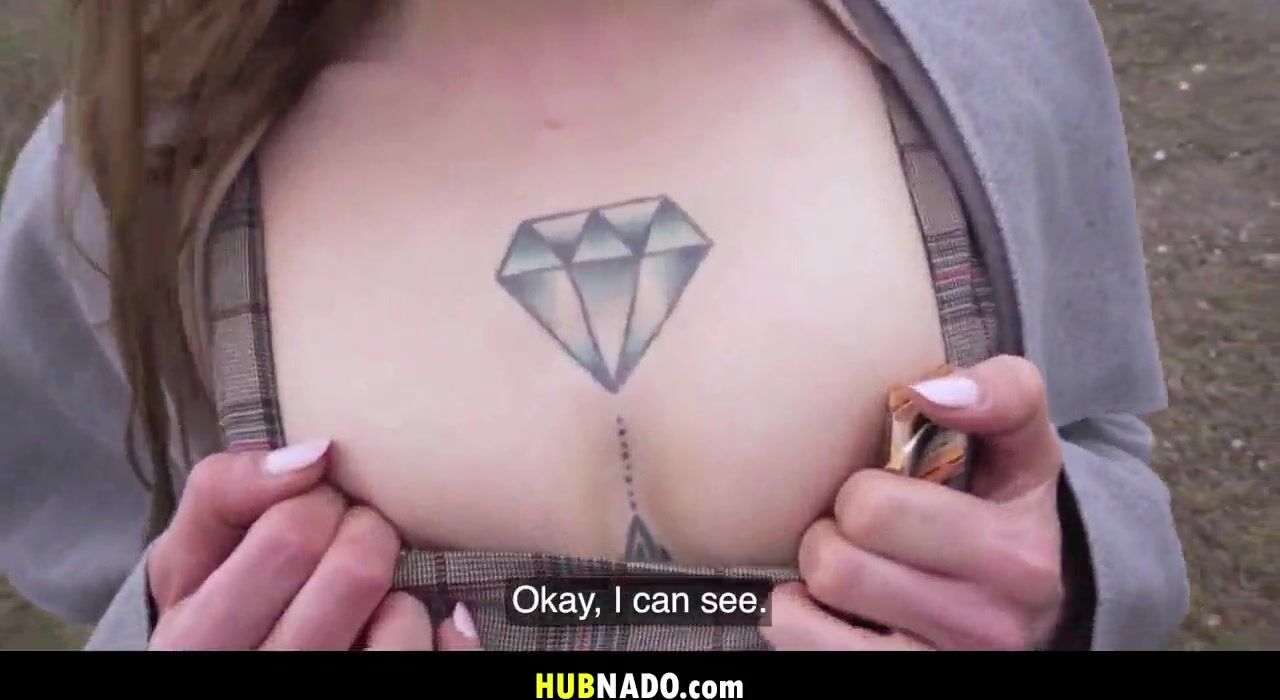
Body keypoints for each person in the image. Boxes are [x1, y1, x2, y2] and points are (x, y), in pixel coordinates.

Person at [0, 0, 1189, 651]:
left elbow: (1093, 439)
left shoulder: (990, 32)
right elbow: (93, 560)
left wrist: (1068, 581)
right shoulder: (118, 178)